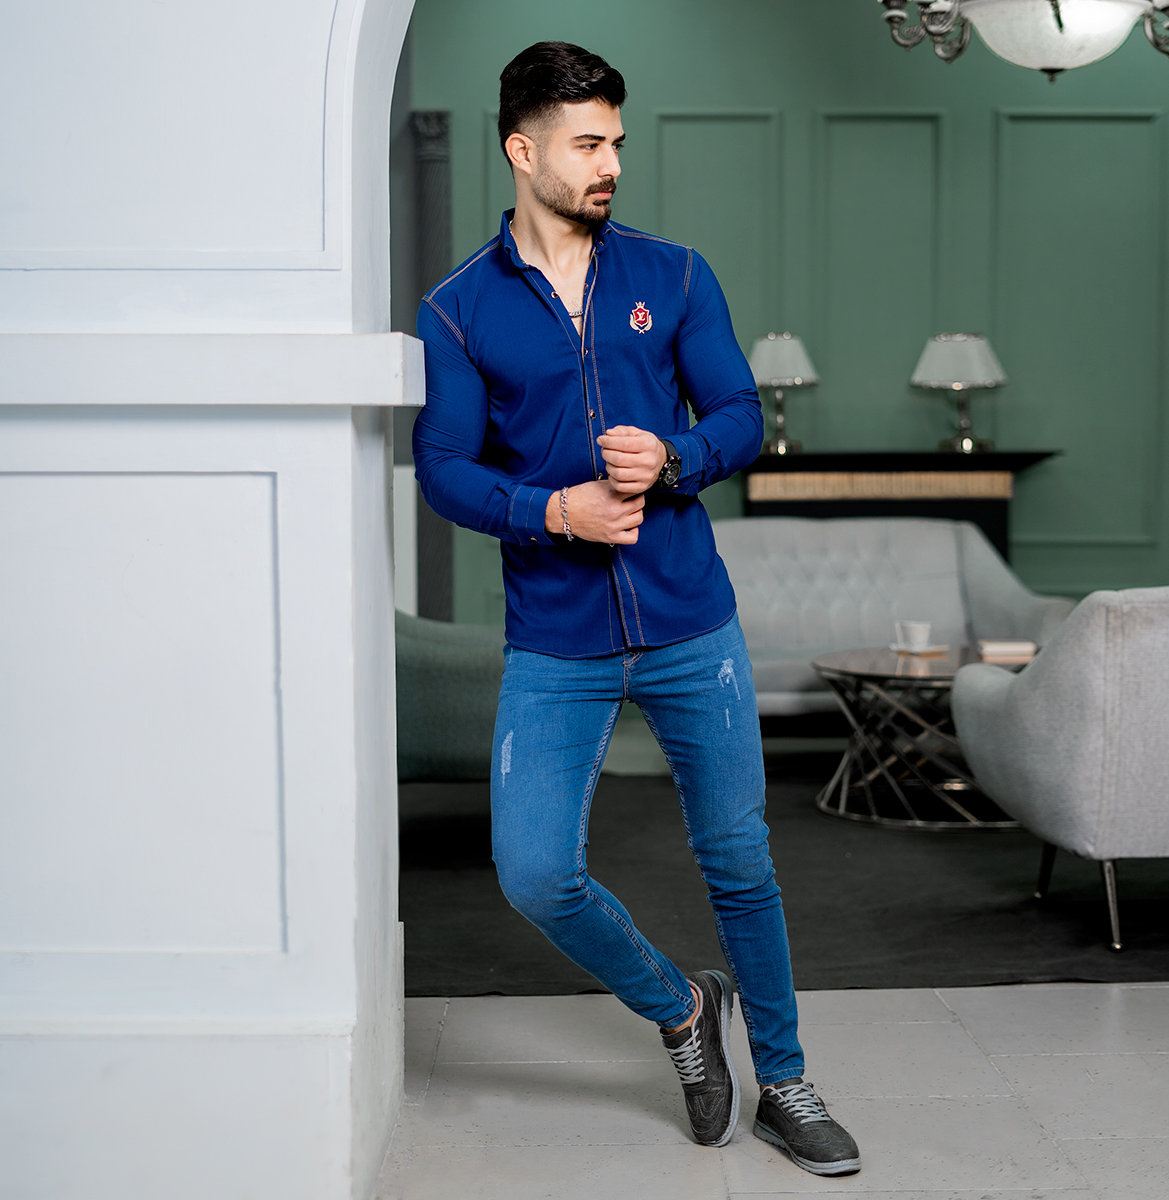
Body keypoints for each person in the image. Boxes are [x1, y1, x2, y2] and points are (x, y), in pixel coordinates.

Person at [411, 40, 860, 1177]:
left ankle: (787, 1084)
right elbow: (444, 467)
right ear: (523, 151)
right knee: (534, 873)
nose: (610, 162)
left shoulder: (677, 273)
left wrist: (674, 459)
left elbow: (740, 413)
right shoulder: (458, 309)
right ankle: (679, 1008)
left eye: (616, 140)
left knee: (739, 860)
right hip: (556, 640)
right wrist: (551, 510)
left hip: (691, 623)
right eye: (586, 143)